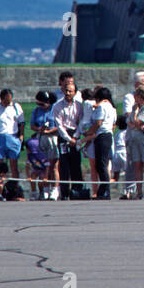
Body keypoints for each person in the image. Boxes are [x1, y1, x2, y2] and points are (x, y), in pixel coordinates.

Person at [51, 71, 86, 199]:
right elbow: (59, 125)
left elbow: (81, 121)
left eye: (71, 91)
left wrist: (76, 137)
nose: (68, 93)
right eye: (66, 91)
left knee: (76, 163)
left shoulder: (79, 105)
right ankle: (64, 192)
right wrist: (68, 138)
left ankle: (77, 190)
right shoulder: (58, 106)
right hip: (64, 135)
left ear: (75, 92)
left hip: (75, 134)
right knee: (64, 164)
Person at [122, 73, 144, 200]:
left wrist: (135, 114)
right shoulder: (134, 105)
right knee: (137, 163)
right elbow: (129, 122)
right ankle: (139, 191)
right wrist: (134, 121)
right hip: (135, 137)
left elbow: (137, 122)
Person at [0, 89, 25, 182]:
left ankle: (14, 187)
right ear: (1, 99)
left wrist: (21, 136)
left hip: (12, 137)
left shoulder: (16, 107)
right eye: (6, 101)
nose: (8, 103)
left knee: (13, 165)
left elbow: (21, 123)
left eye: (9, 100)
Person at [28, 90, 59, 199]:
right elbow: (32, 125)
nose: (41, 106)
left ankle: (55, 189)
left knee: (53, 165)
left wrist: (50, 131)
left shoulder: (55, 110)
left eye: (43, 104)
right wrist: (39, 129)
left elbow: (60, 125)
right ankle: (45, 189)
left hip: (52, 137)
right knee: (44, 165)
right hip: (40, 137)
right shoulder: (37, 111)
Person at [87, 87, 116, 199]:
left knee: (101, 164)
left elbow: (98, 123)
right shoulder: (112, 108)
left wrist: (89, 132)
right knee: (103, 164)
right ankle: (103, 190)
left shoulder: (102, 107)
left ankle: (105, 191)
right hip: (108, 135)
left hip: (101, 136)